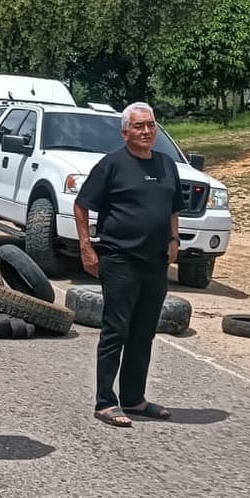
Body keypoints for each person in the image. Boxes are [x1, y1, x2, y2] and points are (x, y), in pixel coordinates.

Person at [74, 101, 182, 428]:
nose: (147, 131)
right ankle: (105, 401)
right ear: (125, 133)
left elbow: (172, 208)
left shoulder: (167, 164)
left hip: (155, 262)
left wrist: (174, 240)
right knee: (116, 330)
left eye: (150, 125)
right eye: (139, 126)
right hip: (120, 258)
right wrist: (86, 248)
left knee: (144, 332)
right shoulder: (112, 165)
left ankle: (134, 398)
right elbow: (82, 205)